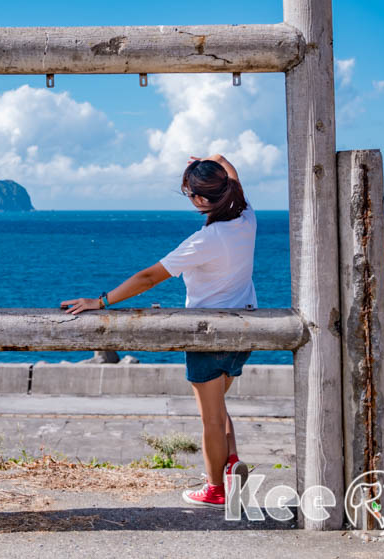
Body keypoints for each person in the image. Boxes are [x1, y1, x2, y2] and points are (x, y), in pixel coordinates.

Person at [61, 154, 254, 508]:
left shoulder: (205, 241)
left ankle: (214, 489)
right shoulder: (246, 217)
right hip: (244, 332)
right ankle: (230, 462)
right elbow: (227, 164)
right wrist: (208, 162)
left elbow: (149, 277)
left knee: (210, 417)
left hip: (207, 335)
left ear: (199, 200)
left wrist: (101, 301)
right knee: (218, 405)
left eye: (190, 192)